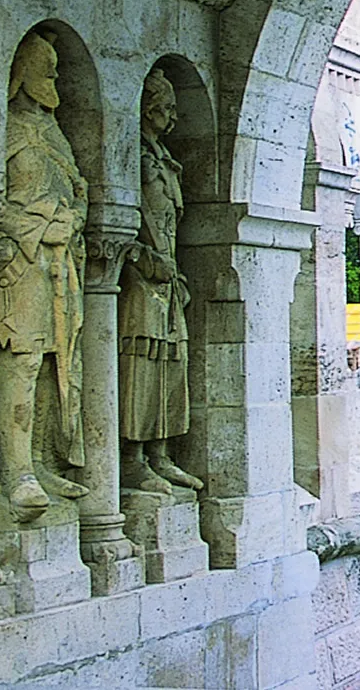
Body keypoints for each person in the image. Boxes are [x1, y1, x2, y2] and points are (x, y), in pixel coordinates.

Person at [0, 30, 88, 513]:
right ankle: (15, 469)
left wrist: (71, 221)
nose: (55, 79)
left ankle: (43, 460)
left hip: (61, 268)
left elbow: (79, 194)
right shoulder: (3, 127)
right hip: (18, 268)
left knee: (53, 366)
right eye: (46, 70)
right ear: (21, 75)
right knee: (21, 365)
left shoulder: (54, 133)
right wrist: (38, 228)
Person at [118, 68, 201, 493]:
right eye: (165, 108)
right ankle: (132, 458)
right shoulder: (132, 157)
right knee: (140, 366)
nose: (172, 117)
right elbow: (114, 225)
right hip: (139, 281)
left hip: (168, 281)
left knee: (172, 365)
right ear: (147, 108)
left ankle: (161, 454)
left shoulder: (167, 163)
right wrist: (143, 260)